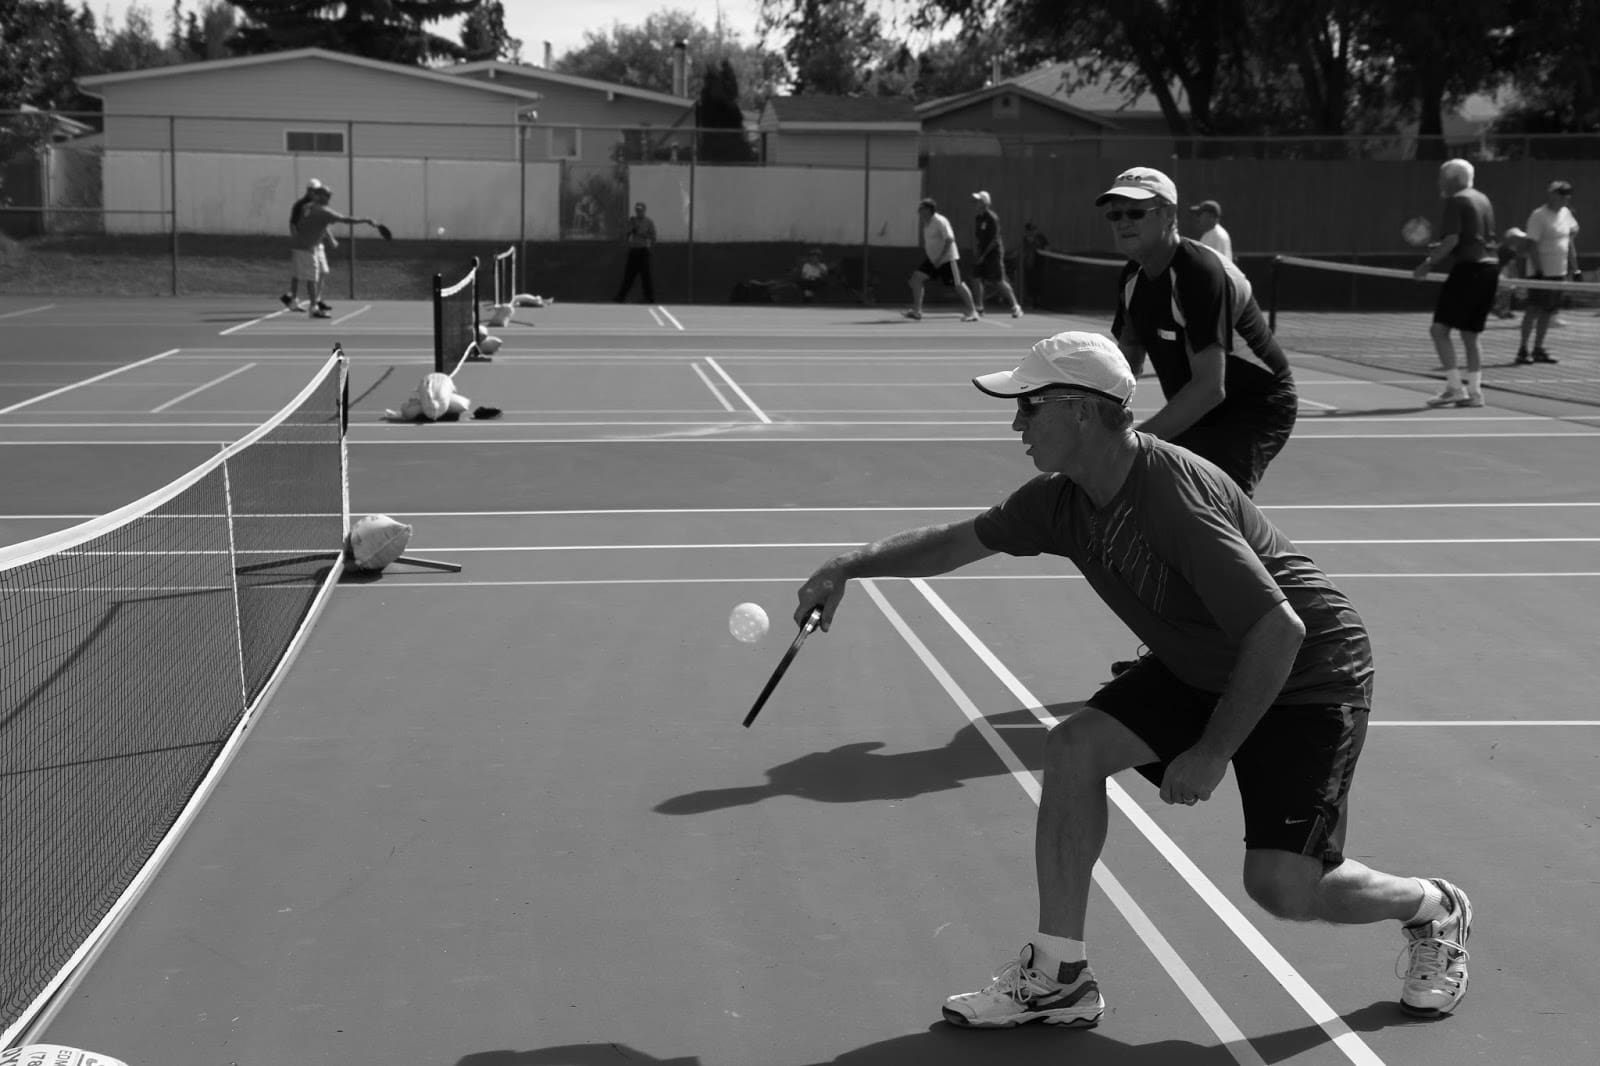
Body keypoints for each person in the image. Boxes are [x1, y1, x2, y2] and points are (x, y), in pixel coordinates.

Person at [792, 330, 1473, 1030]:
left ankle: (1432, 906)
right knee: (1072, 748)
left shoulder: (1171, 495)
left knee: (1284, 887)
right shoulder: (1059, 501)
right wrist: (848, 565)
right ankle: (1058, 979)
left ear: (1082, 410)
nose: (1017, 424)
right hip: (1200, 659)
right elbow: (954, 542)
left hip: (1306, 672)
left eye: (1029, 407)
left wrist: (1211, 751)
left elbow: (1279, 630)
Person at [1413, 159, 1499, 408]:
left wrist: (1427, 264)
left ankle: (1454, 388)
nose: (1439, 182)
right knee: (1470, 335)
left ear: (1453, 179)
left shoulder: (1456, 200)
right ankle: (1474, 392)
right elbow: (1471, 239)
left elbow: (1452, 240)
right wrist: (1443, 249)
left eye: (1442, 177)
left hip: (1469, 270)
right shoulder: (1483, 199)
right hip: (1489, 269)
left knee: (1439, 331)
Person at [1516, 180, 1580, 365]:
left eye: (1567, 194)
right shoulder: (1538, 215)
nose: (1565, 197)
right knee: (1533, 310)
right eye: (1561, 194)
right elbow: (1531, 245)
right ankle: (1523, 349)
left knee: (1548, 311)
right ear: (1551, 194)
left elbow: (1570, 241)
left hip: (1558, 273)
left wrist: (1574, 268)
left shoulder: (1566, 214)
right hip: (1540, 274)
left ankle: (1538, 349)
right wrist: (1539, 271)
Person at [292, 184, 376, 319]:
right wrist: (365, 220)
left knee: (312, 276)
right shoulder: (323, 211)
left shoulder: (307, 207)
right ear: (318, 196)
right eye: (326, 196)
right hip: (306, 247)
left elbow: (309, 223)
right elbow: (345, 220)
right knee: (312, 278)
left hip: (304, 245)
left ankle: (311, 304)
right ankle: (313, 308)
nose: (329, 199)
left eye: (329, 196)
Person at [905, 197, 978, 322]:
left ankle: (973, 312)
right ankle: (917, 312)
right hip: (933, 260)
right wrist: (934, 258)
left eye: (921, 208)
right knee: (915, 279)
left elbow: (949, 239)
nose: (919, 211)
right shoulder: (927, 222)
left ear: (928, 210)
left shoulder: (940, 221)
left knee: (958, 285)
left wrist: (940, 258)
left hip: (947, 259)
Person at [970, 190, 1023, 318]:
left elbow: (994, 239)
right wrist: (978, 252)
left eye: (978, 201)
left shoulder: (992, 218)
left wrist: (984, 256)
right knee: (975, 278)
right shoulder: (978, 218)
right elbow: (978, 237)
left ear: (984, 203)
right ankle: (979, 307)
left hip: (993, 254)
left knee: (999, 281)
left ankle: (1016, 307)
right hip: (982, 253)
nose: (975, 203)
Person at [281, 178, 325, 313]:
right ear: (309, 191)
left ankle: (313, 301)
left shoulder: (317, 204)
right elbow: (292, 224)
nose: (317, 193)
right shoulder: (300, 205)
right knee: (298, 274)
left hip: (313, 243)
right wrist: (298, 240)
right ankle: (296, 301)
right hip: (302, 244)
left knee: (319, 271)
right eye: (315, 191)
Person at [615, 201, 657, 303]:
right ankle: (620, 298)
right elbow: (626, 234)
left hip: (643, 251)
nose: (639, 212)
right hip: (633, 251)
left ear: (644, 211)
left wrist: (641, 234)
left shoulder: (649, 222)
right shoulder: (632, 221)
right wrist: (630, 230)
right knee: (628, 276)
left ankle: (649, 298)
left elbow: (653, 237)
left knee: (645, 276)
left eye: (640, 210)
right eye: (637, 210)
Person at [1021, 221, 1050, 309]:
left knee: (1040, 282)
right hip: (1030, 264)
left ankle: (1040, 301)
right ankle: (1034, 301)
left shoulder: (1041, 237)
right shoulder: (1025, 239)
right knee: (1031, 283)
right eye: (1030, 230)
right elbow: (1025, 249)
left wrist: (1043, 251)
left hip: (1040, 263)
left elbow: (1047, 247)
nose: (1032, 231)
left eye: (1033, 229)